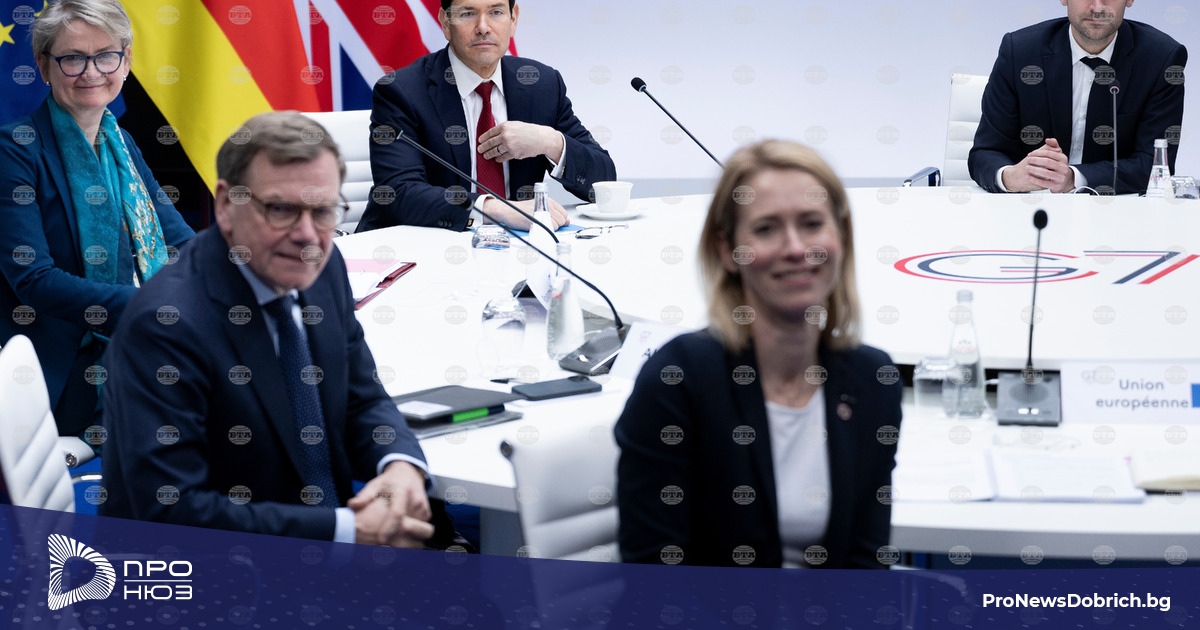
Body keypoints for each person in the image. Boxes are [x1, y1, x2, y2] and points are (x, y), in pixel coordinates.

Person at [100, 112, 433, 547]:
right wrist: (347, 533)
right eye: (281, 210)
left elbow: (361, 397)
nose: (307, 234)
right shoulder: (165, 326)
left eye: (323, 211)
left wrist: (400, 465)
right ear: (225, 205)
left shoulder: (321, 265)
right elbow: (172, 511)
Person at [615, 140, 902, 569]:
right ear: (727, 250)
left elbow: (867, 565)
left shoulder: (872, 379)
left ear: (841, 235)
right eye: (766, 229)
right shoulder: (678, 381)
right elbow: (654, 577)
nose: (795, 248)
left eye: (812, 223)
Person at [0, 0, 193, 439]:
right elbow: (34, 281)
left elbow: (178, 241)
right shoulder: (14, 150)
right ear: (43, 66)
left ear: (126, 62)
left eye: (106, 56)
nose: (91, 73)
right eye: (72, 58)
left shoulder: (121, 141)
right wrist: (149, 308)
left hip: (148, 338)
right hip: (67, 365)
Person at [356, 0, 616, 232]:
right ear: (445, 22)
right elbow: (397, 193)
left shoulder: (541, 84)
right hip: (420, 247)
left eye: (496, 12)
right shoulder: (402, 91)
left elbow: (603, 183)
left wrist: (549, 141)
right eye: (468, 13)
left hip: (516, 249)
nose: (483, 27)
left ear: (513, 19)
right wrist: (496, 209)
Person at [969, 0, 1186, 195]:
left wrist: (1073, 178)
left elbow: (1155, 164)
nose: (1098, 8)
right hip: (1028, 206)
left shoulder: (1161, 59)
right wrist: (1010, 177)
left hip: (1114, 211)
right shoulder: (1020, 51)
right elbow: (986, 151)